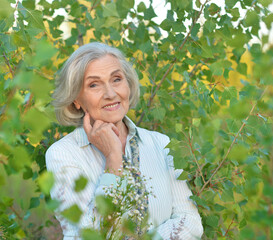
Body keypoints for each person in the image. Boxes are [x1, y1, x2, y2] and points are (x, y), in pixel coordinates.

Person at [46, 42, 203, 239]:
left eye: (116, 79)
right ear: (76, 99)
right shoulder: (63, 154)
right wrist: (113, 159)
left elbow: (190, 222)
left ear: (128, 84)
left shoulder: (161, 145)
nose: (111, 93)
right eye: (94, 84)